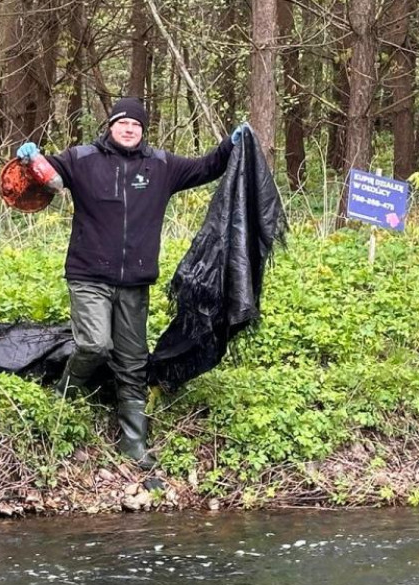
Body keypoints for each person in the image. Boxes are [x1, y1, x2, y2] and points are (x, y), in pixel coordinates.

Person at [15, 96, 247, 470]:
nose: (128, 129)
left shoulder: (161, 166)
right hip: (88, 274)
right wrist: (28, 158)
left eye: (136, 125)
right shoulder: (82, 159)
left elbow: (208, 167)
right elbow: (42, 177)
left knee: (133, 361)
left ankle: (133, 444)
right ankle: (62, 400)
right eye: (122, 123)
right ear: (110, 126)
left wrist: (232, 144)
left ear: (143, 130)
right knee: (94, 344)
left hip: (135, 282)